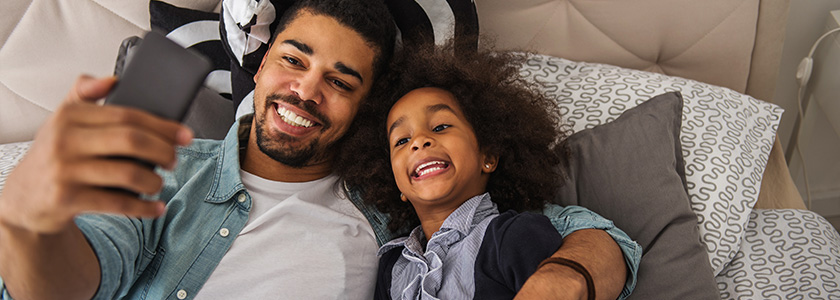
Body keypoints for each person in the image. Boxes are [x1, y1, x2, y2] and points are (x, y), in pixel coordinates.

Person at [0, 0, 638, 299]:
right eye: (293, 60)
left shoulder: (396, 214)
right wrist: (25, 223)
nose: (305, 91)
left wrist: (563, 277)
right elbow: (64, 287)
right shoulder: (166, 175)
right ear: (259, 69)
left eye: (340, 82)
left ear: (365, 111)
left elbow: (593, 233)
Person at [338, 45, 592, 299]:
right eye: (402, 141)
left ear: (488, 157)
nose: (419, 141)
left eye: (440, 126)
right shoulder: (391, 265)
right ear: (394, 183)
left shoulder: (515, 236)